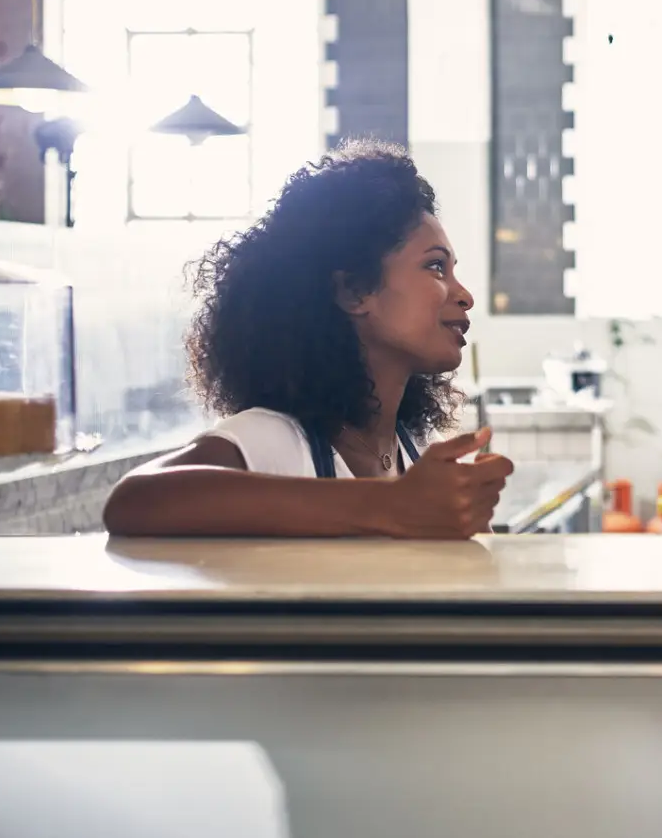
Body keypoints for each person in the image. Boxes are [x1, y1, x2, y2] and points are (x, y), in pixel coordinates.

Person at [104, 140, 512, 540]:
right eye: (436, 266)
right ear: (354, 291)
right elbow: (134, 501)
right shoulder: (272, 440)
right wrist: (389, 505)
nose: (464, 295)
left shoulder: (419, 447)